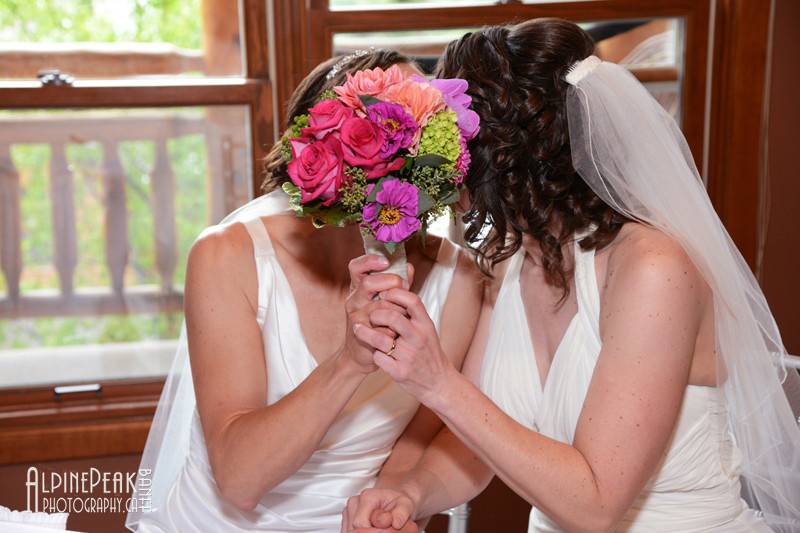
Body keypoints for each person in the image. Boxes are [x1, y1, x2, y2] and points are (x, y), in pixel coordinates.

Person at [343, 19, 800, 533]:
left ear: (502, 159)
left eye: (448, 148)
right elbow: (480, 446)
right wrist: (408, 494)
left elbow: (596, 504)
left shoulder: (654, 268)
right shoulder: (510, 261)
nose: (440, 171)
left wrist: (437, 382)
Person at [125, 49, 483, 533]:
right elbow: (238, 479)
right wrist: (350, 361)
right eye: (395, 136)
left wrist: (391, 503)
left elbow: (415, 443)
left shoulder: (456, 278)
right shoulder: (228, 257)